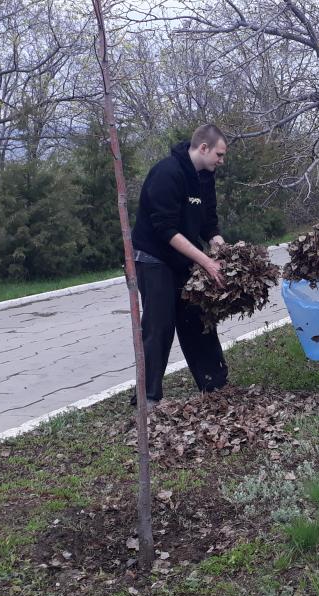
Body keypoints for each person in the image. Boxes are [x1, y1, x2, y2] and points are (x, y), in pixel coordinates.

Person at [129, 124, 230, 407]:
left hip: (183, 257)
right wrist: (207, 262)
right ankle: (148, 397)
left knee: (197, 316)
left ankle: (215, 384)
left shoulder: (206, 176)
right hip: (153, 257)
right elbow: (166, 230)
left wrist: (220, 245)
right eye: (219, 155)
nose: (221, 161)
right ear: (203, 148)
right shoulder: (167, 173)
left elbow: (208, 221)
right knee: (159, 324)